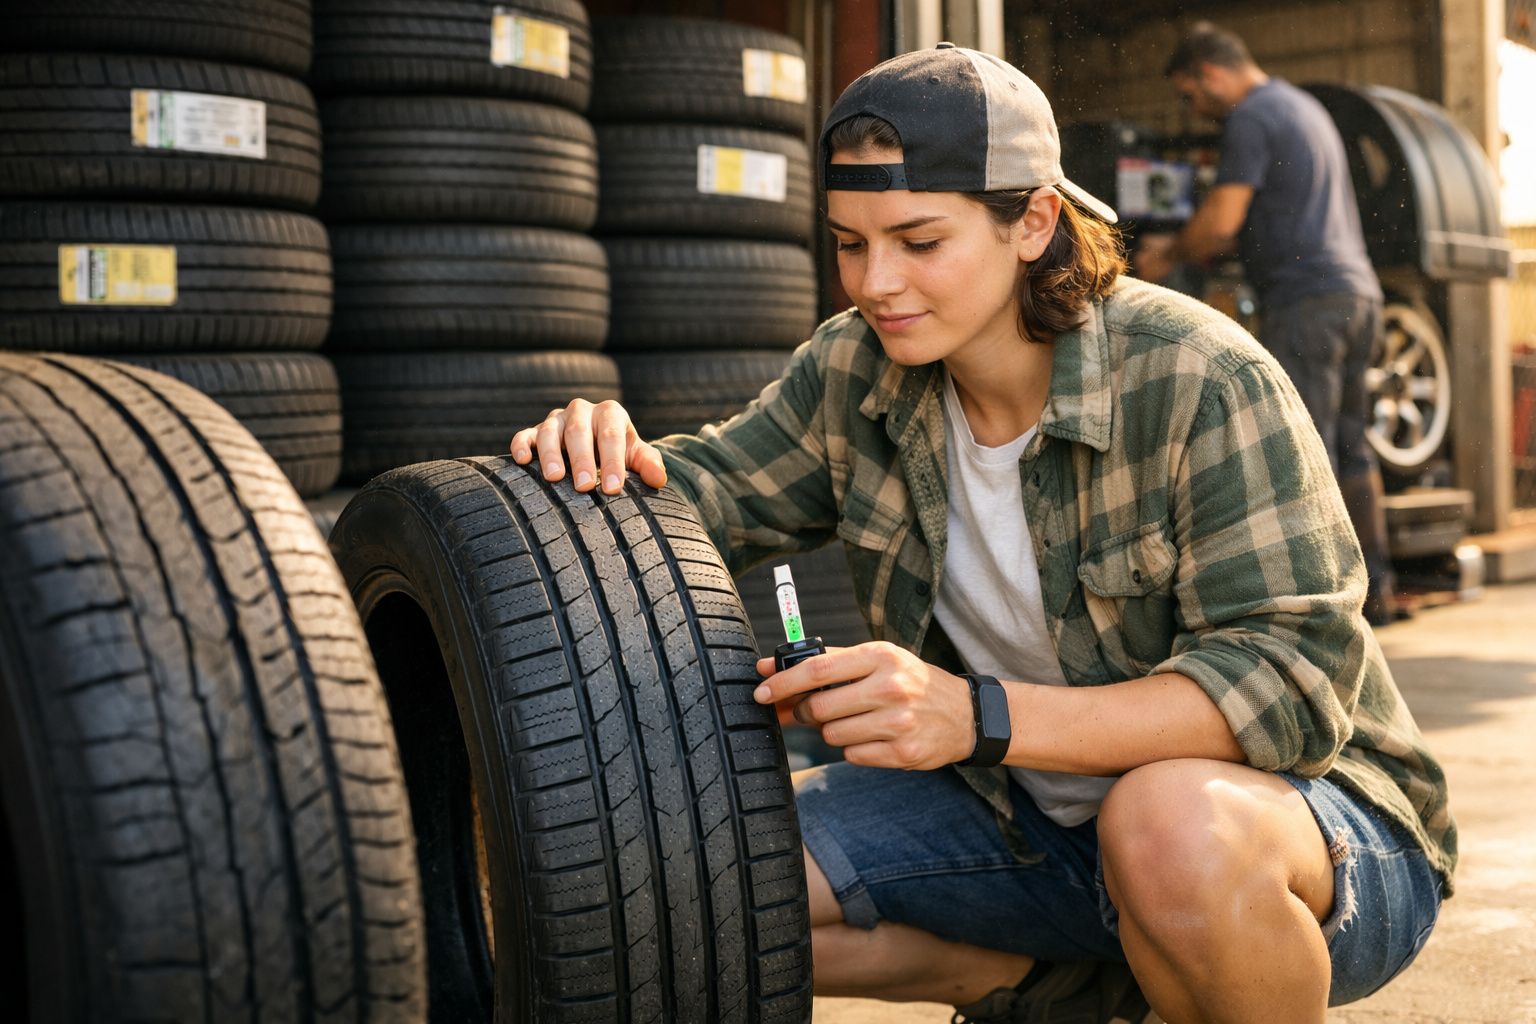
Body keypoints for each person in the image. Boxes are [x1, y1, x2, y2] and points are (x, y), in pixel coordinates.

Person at [511, 43, 1453, 1024]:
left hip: (1305, 823)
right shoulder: (855, 370)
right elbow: (702, 494)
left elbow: (1289, 690)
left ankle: (1179, 945)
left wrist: (976, 716)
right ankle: (1087, 985)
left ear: (1034, 220)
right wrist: (606, 452)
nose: (875, 283)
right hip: (1023, 818)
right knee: (711, 878)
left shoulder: (1198, 377)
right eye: (849, 242)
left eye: (919, 241)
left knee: (1164, 824)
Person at [1134, 21, 1403, 627]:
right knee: (1353, 447)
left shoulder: (1252, 118)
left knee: (1307, 450)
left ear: (1209, 73)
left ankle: (1327, 609)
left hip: (1308, 303)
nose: (1193, 109)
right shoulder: (1302, 105)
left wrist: (1168, 252)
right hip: (1358, 297)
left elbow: (1223, 221)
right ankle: (1376, 593)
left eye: (1189, 94)